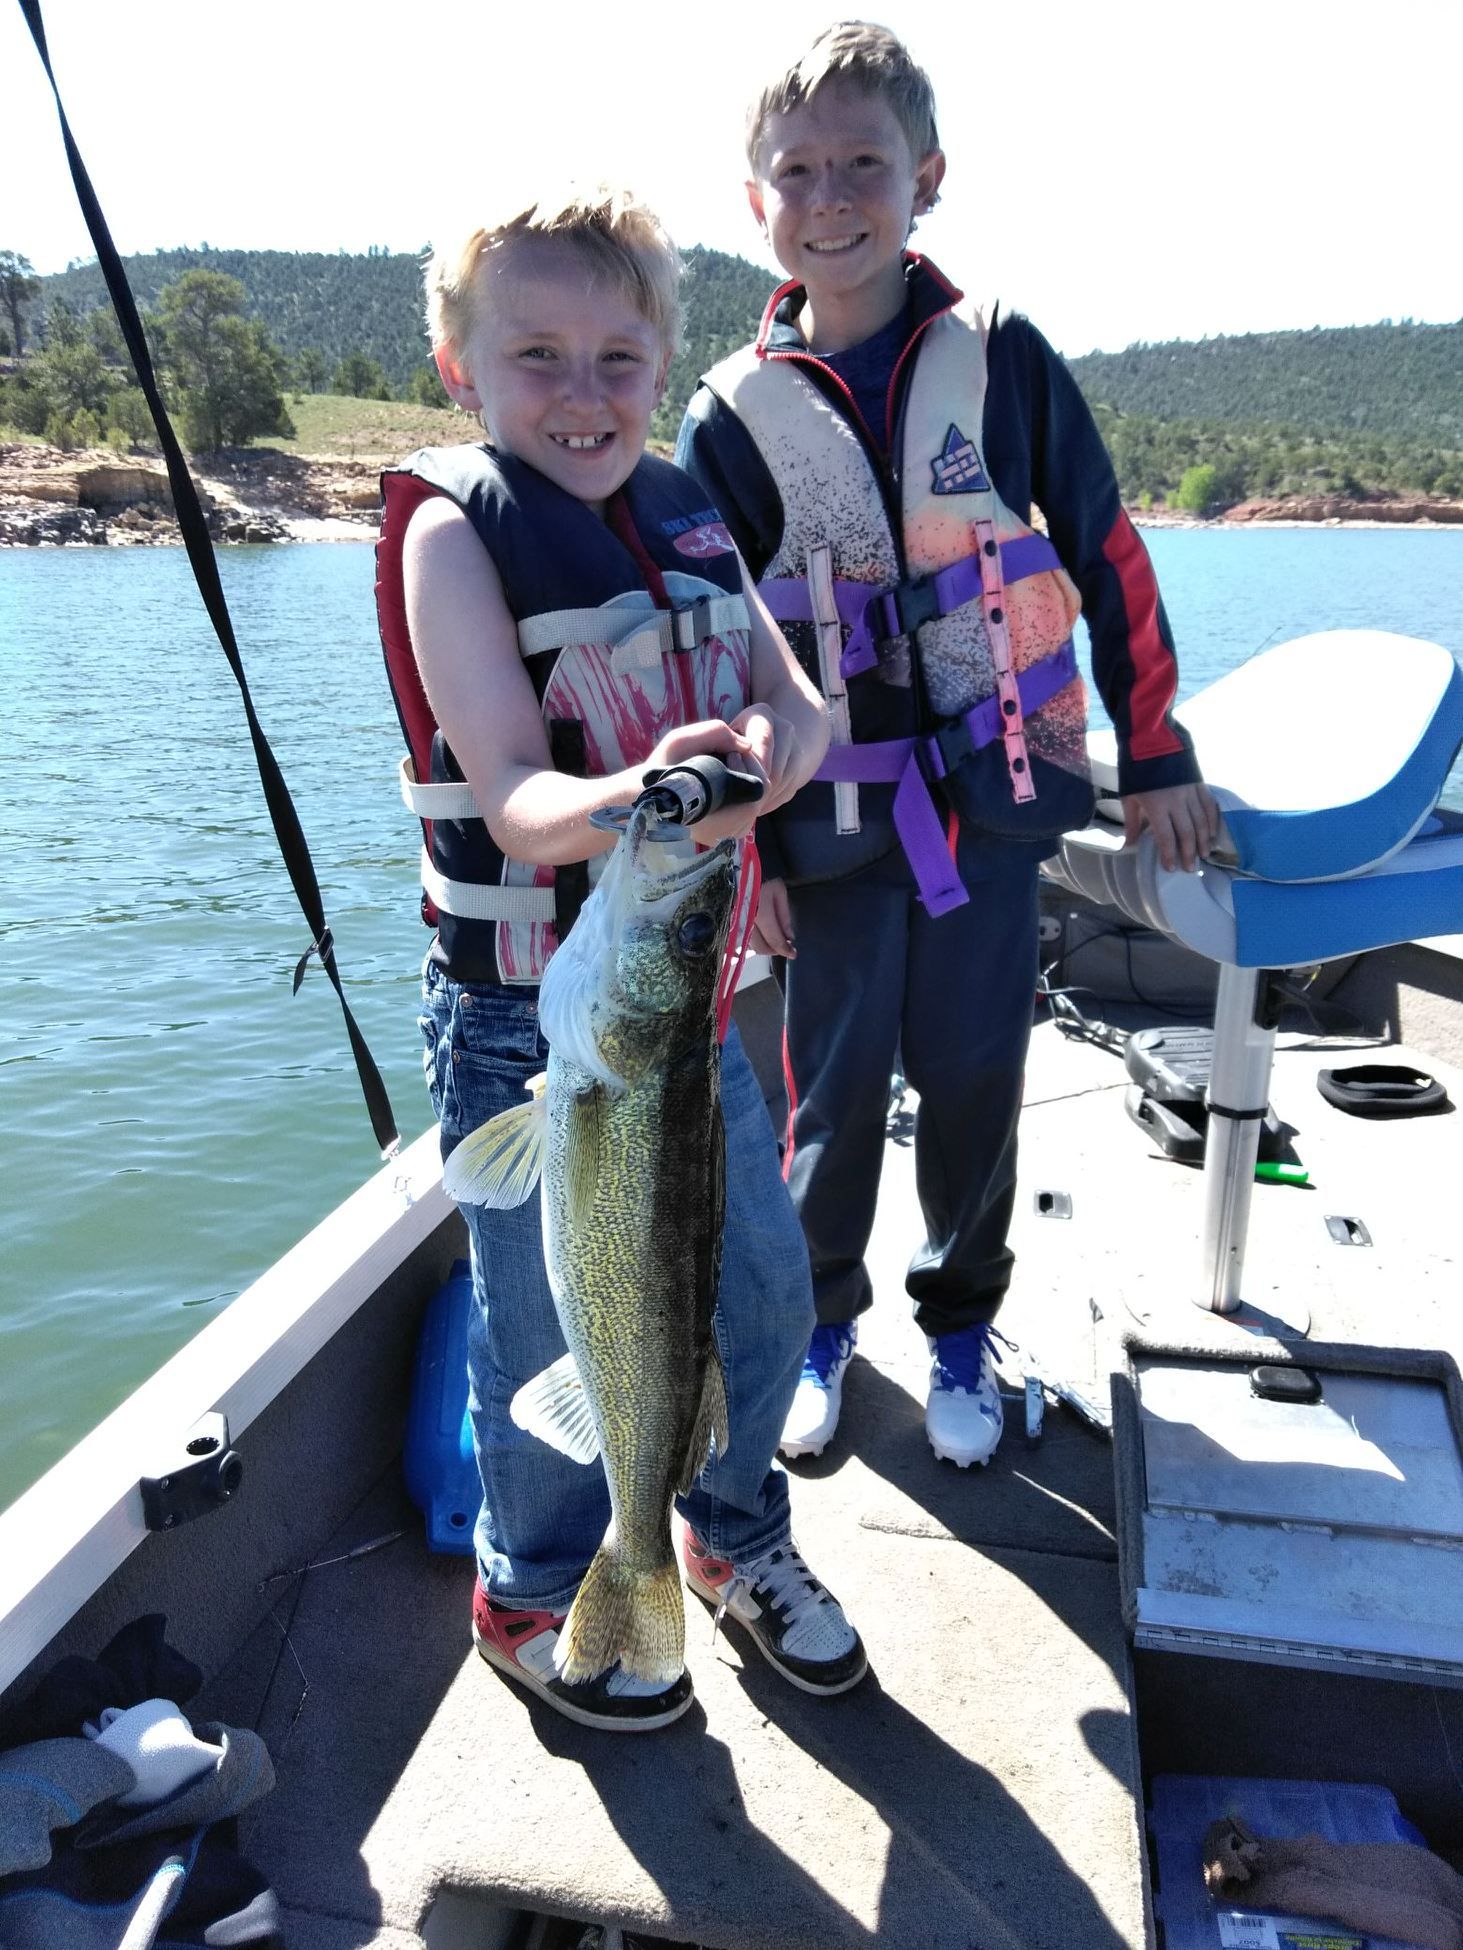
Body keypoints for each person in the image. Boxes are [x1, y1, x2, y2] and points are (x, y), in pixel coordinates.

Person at [676, 24, 1220, 1470]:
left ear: (928, 179)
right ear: (755, 203)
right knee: (830, 1093)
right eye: (799, 169)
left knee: (977, 1079)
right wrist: (742, 855)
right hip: (831, 833)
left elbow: (1107, 555)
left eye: (866, 161)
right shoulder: (728, 415)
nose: (833, 193)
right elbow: (713, 645)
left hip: (997, 805)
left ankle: (964, 1323)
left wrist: (1156, 750)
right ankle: (819, 1325)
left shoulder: (1008, 358)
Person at [374, 184, 867, 1733]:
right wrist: (643, 800)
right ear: (461, 366)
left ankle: (725, 1537)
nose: (582, 395)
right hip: (537, 1036)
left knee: (765, 1294)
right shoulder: (456, 536)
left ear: (664, 365)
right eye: (537, 356)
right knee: (540, 1333)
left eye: (617, 359)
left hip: (683, 1011)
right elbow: (518, 799)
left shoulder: (691, 516)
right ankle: (534, 1584)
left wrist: (776, 748)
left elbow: (801, 706)